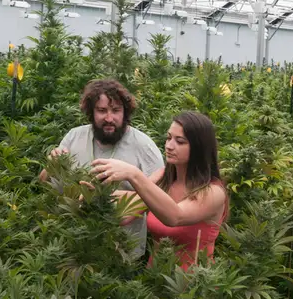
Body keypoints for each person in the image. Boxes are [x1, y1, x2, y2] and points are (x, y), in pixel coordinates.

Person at [38, 79, 164, 260]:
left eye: (116, 110)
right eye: (102, 110)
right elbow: (46, 186)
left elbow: (162, 196)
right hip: (74, 247)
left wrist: (120, 201)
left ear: (125, 112)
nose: (109, 118)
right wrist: (51, 166)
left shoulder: (144, 146)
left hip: (123, 253)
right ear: (91, 112)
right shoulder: (74, 137)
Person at [89, 111, 229, 271]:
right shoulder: (163, 177)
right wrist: (96, 194)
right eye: (169, 138)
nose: (169, 146)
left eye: (180, 141)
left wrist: (133, 174)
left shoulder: (213, 192)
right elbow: (127, 212)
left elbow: (175, 216)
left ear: (199, 147)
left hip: (193, 282)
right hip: (155, 278)